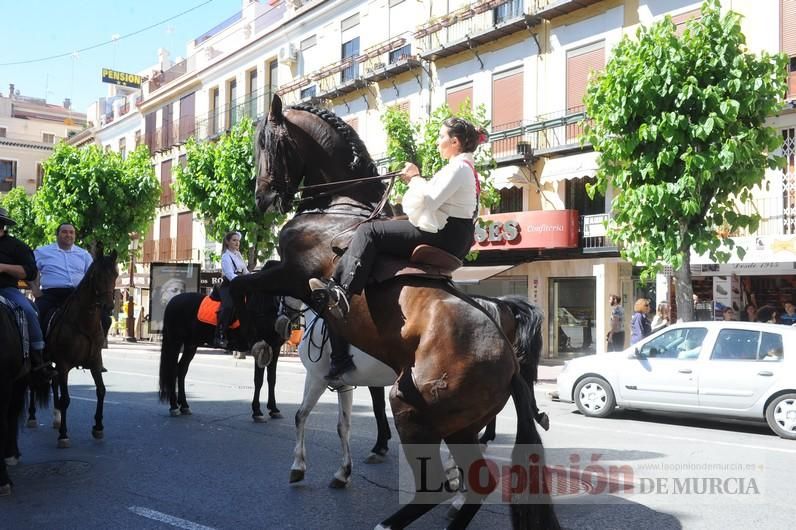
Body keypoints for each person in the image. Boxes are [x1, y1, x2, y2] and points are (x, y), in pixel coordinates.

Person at [309, 117, 486, 380]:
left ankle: (342, 291)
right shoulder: (462, 168)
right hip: (452, 233)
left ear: (455, 141)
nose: (438, 142)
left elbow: (428, 198)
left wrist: (414, 177)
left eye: (441, 136)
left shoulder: (458, 168)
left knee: (370, 230)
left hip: (444, 234)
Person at [0, 207, 51, 377]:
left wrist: (4, 267)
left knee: (28, 310)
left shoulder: (16, 246)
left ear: (2, 225)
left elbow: (30, 272)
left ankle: (38, 357)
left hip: (5, 289)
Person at [32, 223, 93, 333]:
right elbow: (30, 271)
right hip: (51, 296)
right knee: (36, 317)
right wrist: (35, 290)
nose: (68, 235)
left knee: (100, 318)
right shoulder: (42, 252)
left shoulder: (84, 255)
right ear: (57, 235)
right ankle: (37, 346)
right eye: (64, 232)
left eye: (71, 232)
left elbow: (92, 276)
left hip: (77, 295)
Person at [216, 231, 250, 348]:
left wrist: (253, 279)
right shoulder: (226, 256)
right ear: (227, 242)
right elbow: (230, 275)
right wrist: (243, 282)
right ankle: (220, 334)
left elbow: (245, 272)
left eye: (238, 240)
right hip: (229, 285)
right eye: (234, 240)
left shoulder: (238, 255)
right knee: (229, 306)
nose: (237, 243)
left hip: (240, 284)